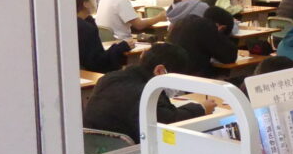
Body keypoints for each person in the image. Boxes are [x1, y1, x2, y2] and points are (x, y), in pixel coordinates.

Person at [83, 43, 214, 143]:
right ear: (160, 71)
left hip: (95, 148)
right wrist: (201, 108)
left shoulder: (110, 77)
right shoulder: (146, 93)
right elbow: (169, 122)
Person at [167, 5, 238, 78]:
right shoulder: (207, 27)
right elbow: (230, 56)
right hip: (191, 78)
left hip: (171, 75)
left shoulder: (183, 21)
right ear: (222, 28)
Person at [76, 0, 134, 72]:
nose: (95, 2)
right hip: (91, 72)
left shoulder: (76, 23)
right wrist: (121, 47)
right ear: (86, 4)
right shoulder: (86, 28)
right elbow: (97, 62)